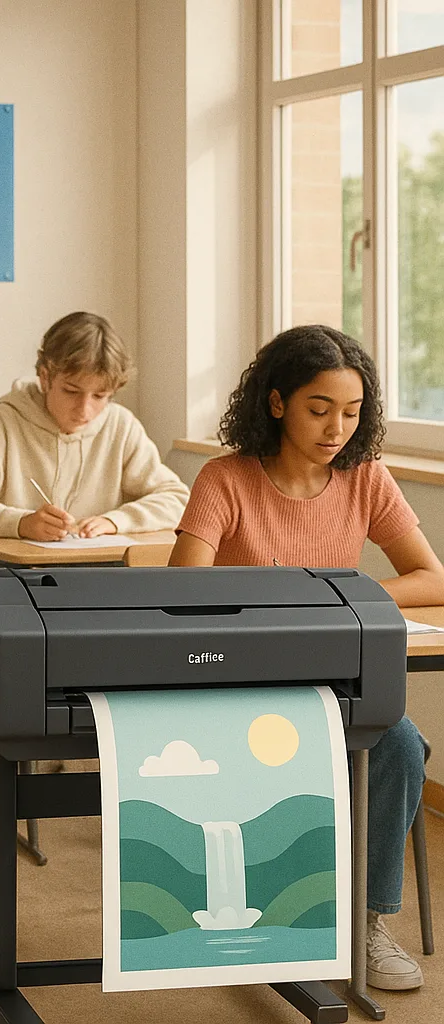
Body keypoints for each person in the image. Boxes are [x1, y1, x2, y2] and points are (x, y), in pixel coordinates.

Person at [169, 324, 444, 992]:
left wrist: (333, 591)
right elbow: (179, 590)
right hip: (235, 683)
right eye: (320, 410)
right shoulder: (225, 479)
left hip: (330, 679)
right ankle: (281, 912)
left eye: (351, 413)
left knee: (401, 746)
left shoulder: (365, 478)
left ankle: (367, 925)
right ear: (276, 403)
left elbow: (431, 577)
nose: (336, 429)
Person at [0, 311, 188, 541]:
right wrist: (20, 523)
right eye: (71, 391)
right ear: (45, 376)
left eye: (100, 396)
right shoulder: (0, 423)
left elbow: (177, 499)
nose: (85, 410)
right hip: (13, 572)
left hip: (98, 568)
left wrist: (115, 521)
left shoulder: (120, 426)